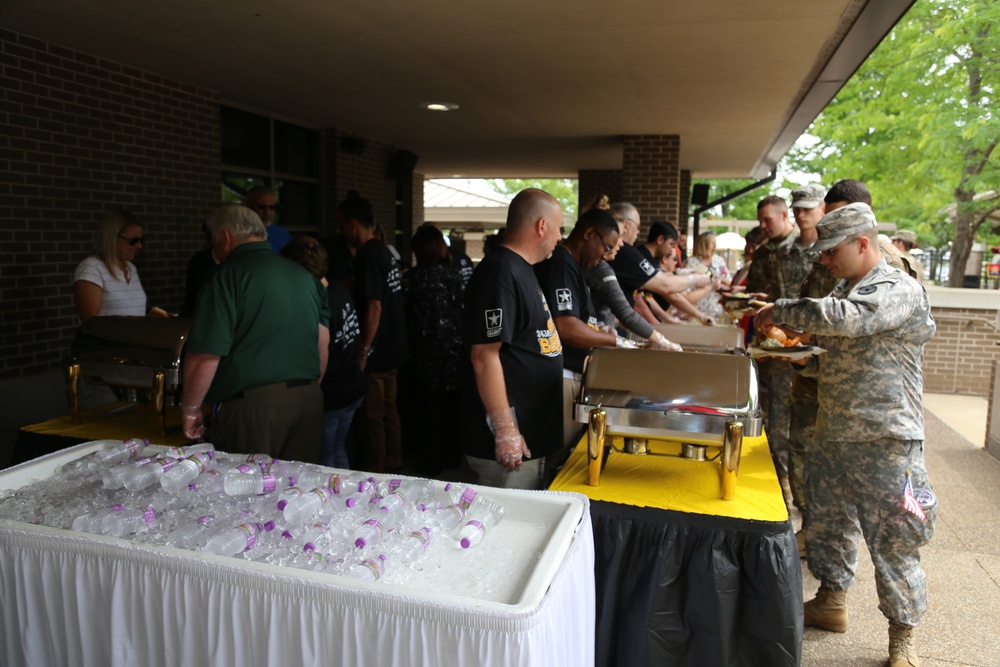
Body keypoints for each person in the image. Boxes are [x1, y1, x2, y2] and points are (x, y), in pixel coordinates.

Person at [754, 203, 936, 667]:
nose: (824, 261)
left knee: (894, 539)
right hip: (834, 432)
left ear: (862, 244)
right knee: (828, 528)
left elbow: (851, 320)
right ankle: (831, 601)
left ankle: (902, 638)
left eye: (831, 251)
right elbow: (838, 353)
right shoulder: (845, 287)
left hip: (886, 439)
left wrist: (782, 309)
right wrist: (804, 360)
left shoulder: (896, 289)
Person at [180, 204, 330, 462]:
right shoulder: (305, 277)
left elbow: (206, 355)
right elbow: (322, 342)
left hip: (254, 409)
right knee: (296, 494)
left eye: (213, 240)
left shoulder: (226, 276)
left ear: (225, 237)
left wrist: (191, 409)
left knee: (247, 496)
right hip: (309, 401)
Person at [461, 188, 564, 489]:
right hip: (509, 445)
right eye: (559, 228)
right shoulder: (501, 271)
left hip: (530, 437)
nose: (560, 237)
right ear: (542, 226)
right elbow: (484, 355)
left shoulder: (522, 268)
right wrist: (506, 430)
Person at [747, 194, 817, 506]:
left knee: (796, 428)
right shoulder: (768, 253)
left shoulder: (815, 252)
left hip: (802, 350)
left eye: (768, 220)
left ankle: (795, 492)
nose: (762, 226)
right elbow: (758, 291)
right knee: (771, 421)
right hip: (771, 348)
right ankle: (778, 488)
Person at [536, 207, 622, 455]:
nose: (607, 256)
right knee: (560, 456)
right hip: (561, 375)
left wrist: (597, 329)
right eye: (606, 247)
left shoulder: (573, 266)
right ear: (589, 234)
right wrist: (614, 341)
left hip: (572, 374)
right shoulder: (562, 264)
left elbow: (577, 321)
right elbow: (566, 327)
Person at [281, 236, 365, 469]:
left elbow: (321, 348)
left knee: (325, 461)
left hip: (333, 394)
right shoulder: (339, 289)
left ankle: (332, 501)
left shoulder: (318, 300)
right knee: (338, 451)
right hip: (352, 386)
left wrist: (311, 394)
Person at [339, 191, 408, 474]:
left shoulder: (368, 254)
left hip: (378, 351)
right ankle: (394, 462)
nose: (342, 232)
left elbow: (374, 305)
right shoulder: (384, 250)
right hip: (395, 345)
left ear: (353, 224)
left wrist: (363, 349)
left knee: (373, 417)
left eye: (342, 225)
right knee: (390, 412)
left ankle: (376, 473)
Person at [401, 225, 465, 476]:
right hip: (456, 357)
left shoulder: (413, 278)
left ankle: (429, 464)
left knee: (427, 417)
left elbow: (405, 317)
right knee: (452, 413)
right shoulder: (454, 275)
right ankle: (452, 459)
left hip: (424, 358)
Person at [585, 215, 682, 350]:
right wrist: (661, 338)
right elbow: (628, 312)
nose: (621, 244)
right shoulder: (602, 267)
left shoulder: (601, 265)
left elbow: (635, 301)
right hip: (591, 351)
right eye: (618, 237)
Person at [607, 204, 714, 324]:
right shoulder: (627, 252)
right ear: (626, 225)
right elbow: (665, 286)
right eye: (638, 227)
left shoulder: (632, 253)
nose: (638, 232)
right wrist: (695, 280)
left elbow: (642, 295)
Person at [74, 209, 157, 320]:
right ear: (112, 237)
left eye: (141, 240)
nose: (139, 246)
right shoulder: (91, 268)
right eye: (133, 240)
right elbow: (91, 322)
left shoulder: (131, 268)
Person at [686, 231, 731, 321]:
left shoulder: (719, 261)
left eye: (715, 244)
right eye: (712, 244)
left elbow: (730, 283)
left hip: (719, 309)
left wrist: (721, 279)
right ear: (704, 245)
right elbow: (686, 292)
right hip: (698, 311)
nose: (715, 247)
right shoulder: (691, 262)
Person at [245, 185, 292, 253]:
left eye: (271, 207)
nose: (267, 212)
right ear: (248, 207)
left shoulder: (283, 235)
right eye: (262, 207)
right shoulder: (237, 234)